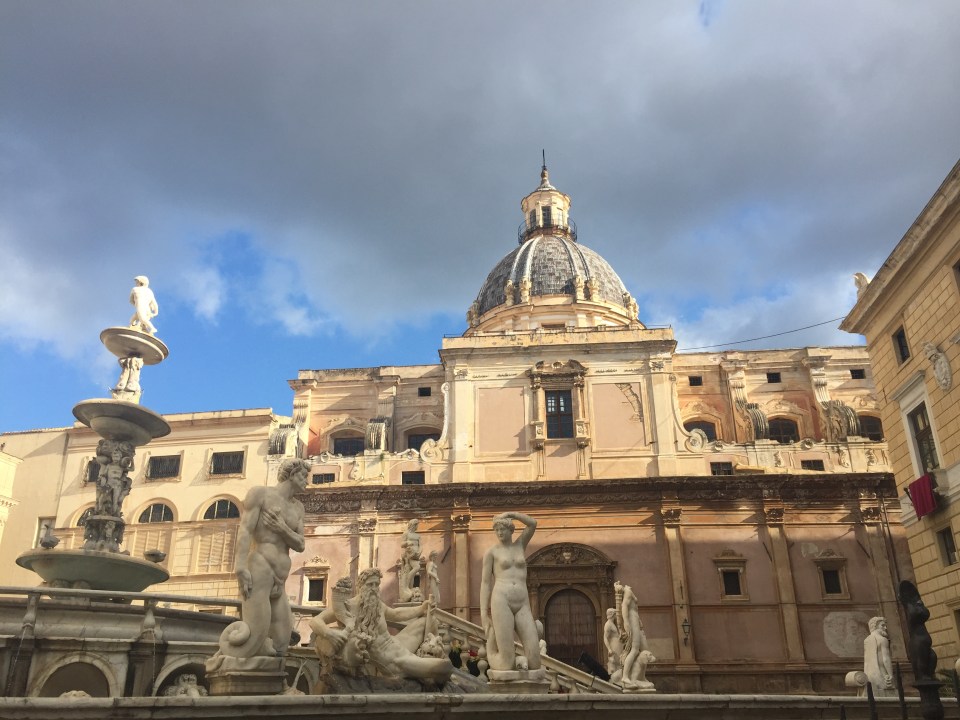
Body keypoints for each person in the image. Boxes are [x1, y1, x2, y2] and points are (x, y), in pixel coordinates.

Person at [216, 458, 308, 660]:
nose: (306, 482)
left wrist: (282, 528)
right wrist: (240, 566)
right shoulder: (261, 494)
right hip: (260, 566)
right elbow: (245, 531)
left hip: (281, 577)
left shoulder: (298, 508)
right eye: (304, 476)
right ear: (292, 474)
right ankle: (230, 672)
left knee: (282, 640)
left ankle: (270, 682)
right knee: (256, 634)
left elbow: (300, 544)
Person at [309, 567, 452, 685]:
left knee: (425, 621)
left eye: (376, 584)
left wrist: (421, 608)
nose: (373, 588)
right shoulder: (348, 607)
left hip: (398, 644)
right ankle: (422, 669)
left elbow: (396, 614)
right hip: (393, 661)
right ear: (360, 586)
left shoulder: (377, 605)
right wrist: (329, 633)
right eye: (369, 584)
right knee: (445, 667)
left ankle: (428, 656)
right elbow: (315, 621)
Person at [480, 511, 540, 672]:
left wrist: (511, 514)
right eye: (497, 530)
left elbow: (532, 523)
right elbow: (485, 583)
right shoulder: (492, 552)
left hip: (522, 602)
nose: (499, 533)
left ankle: (521, 661)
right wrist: (484, 613)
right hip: (501, 600)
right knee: (506, 664)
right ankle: (492, 649)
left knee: (535, 661)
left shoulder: (520, 544)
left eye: (503, 529)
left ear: (511, 530)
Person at [863, 616, 895, 697]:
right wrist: (891, 675)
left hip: (870, 676)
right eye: (882, 625)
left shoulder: (867, 640)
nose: (885, 628)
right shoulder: (882, 640)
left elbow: (867, 661)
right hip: (883, 675)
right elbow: (886, 659)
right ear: (875, 626)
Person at [603, 607, 623, 678]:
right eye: (615, 614)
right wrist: (609, 649)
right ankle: (615, 678)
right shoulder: (608, 624)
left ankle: (618, 678)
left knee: (619, 662)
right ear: (612, 614)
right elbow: (605, 638)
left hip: (617, 645)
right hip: (613, 646)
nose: (616, 616)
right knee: (615, 662)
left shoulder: (612, 623)